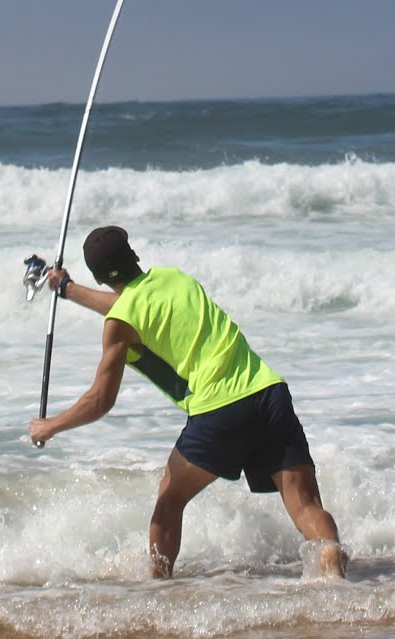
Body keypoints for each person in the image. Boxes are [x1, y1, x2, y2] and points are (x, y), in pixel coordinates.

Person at [28, 226, 347, 579]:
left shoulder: (119, 323)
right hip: (268, 391)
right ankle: (332, 568)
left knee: (169, 501)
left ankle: (159, 588)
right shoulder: (175, 278)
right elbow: (131, 303)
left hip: (219, 408)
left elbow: (100, 399)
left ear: (99, 278)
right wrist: (67, 289)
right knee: (306, 507)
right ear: (134, 255)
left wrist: (50, 426)